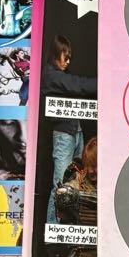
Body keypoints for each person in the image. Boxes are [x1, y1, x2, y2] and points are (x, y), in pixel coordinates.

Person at [43, 35, 96, 223]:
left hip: (76, 131)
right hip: (64, 135)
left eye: (69, 58)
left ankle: (67, 226)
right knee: (60, 186)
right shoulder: (51, 75)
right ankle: (52, 228)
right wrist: (106, 82)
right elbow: (79, 85)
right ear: (56, 54)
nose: (67, 62)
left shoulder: (59, 75)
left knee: (76, 184)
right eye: (65, 57)